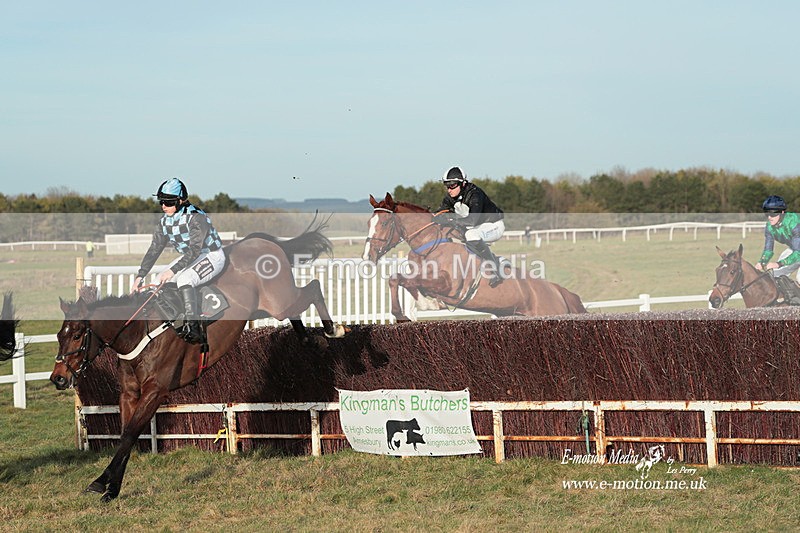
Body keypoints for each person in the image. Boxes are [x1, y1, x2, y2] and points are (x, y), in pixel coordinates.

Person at [132, 178, 225, 343]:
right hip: (190, 256)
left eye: (168, 202)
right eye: (161, 201)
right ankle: (175, 322)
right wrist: (140, 276)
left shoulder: (196, 216)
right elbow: (155, 249)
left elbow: (195, 250)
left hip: (211, 255)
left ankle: (194, 326)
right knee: (156, 282)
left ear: (181, 200)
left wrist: (173, 270)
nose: (164, 206)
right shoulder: (164, 222)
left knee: (184, 279)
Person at [433, 166, 506, 287]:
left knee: (471, 235)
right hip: (477, 227)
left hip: (493, 226)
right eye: (447, 186)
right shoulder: (449, 198)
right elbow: (439, 214)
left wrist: (450, 219)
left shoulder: (475, 194)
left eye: (452, 186)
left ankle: (495, 268)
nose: (449, 190)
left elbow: (472, 220)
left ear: (462, 184)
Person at [755, 195, 800, 303]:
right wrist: (762, 262)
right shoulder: (769, 227)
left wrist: (779, 263)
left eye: (772, 214)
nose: (769, 217)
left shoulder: (794, 223)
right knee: (775, 274)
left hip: (797, 251)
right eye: (767, 214)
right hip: (795, 249)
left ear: (782, 213)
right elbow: (768, 249)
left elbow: (798, 253)